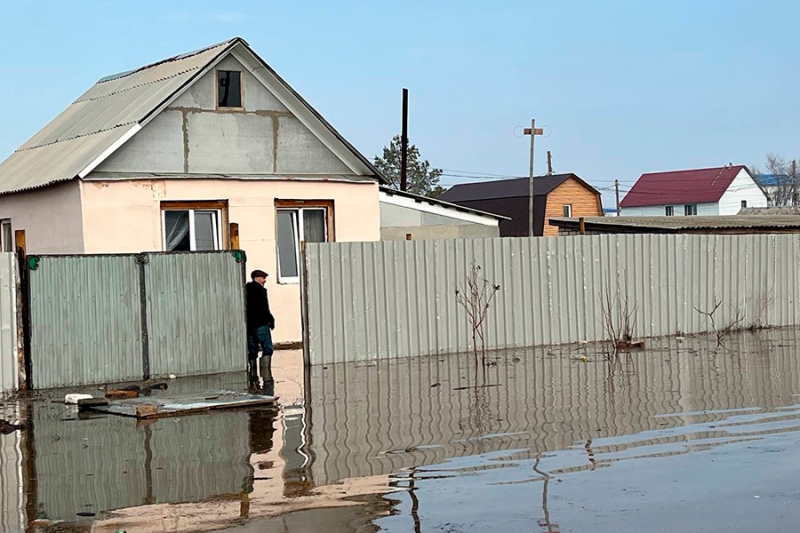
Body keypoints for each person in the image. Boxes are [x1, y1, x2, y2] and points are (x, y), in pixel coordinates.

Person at [246, 269, 275, 389]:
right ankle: (266, 375)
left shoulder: (245, 290)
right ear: (257, 278)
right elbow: (264, 307)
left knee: (252, 351)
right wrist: (270, 319)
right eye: (263, 278)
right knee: (267, 348)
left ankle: (253, 376)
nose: (264, 280)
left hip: (249, 326)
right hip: (261, 324)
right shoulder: (261, 291)